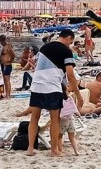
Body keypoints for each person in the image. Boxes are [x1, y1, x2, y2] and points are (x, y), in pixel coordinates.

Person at [25, 29, 78, 158]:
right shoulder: (66, 51)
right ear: (69, 38)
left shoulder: (44, 47)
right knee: (55, 119)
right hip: (52, 87)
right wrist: (77, 93)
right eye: (71, 41)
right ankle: (54, 150)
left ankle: (30, 148)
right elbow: (70, 74)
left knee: (34, 118)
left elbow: (35, 63)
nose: (71, 44)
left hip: (37, 84)